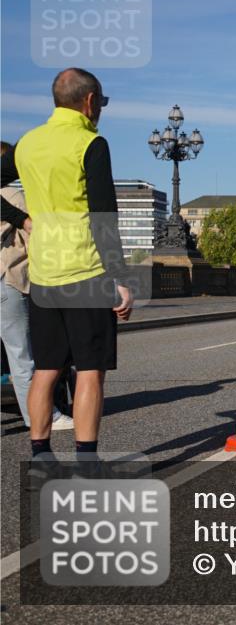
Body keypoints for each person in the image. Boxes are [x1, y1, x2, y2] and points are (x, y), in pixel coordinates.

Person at [1, 68, 132, 470]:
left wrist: (21, 219)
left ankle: (41, 457)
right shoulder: (90, 143)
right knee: (90, 371)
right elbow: (102, 216)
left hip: (42, 273)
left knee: (46, 369)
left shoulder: (27, 144)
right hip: (85, 270)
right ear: (90, 102)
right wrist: (119, 279)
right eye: (101, 105)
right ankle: (88, 462)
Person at [0, 142, 74, 431]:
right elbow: (37, 242)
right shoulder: (14, 197)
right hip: (9, 280)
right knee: (23, 356)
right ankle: (42, 417)